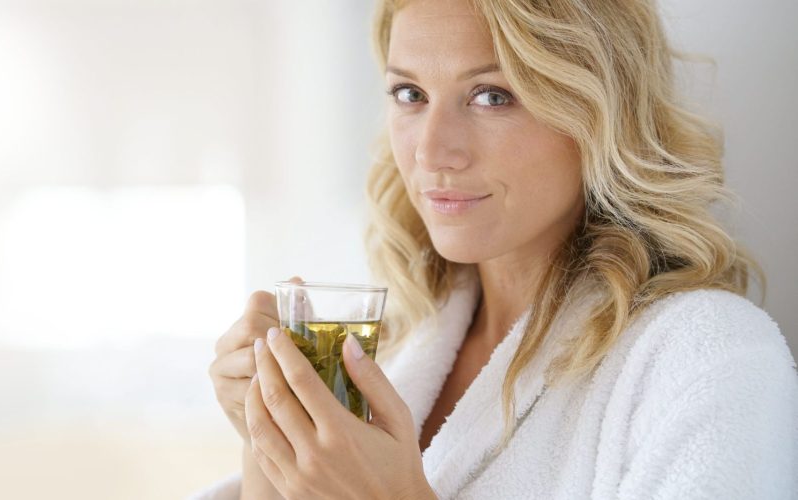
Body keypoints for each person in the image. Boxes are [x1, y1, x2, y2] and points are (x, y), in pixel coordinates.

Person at [198, 0, 798, 498]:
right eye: (410, 94)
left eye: (492, 96)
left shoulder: (707, 358)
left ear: (597, 112)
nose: (432, 151)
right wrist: (272, 445)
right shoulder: (402, 346)